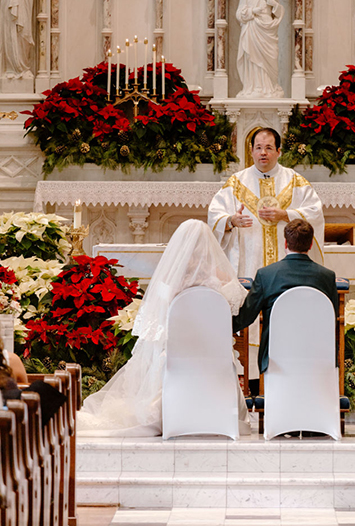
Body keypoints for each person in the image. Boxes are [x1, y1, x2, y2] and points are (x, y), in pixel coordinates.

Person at [77, 219, 249, 437]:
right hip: (215, 356)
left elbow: (158, 326)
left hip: (178, 356)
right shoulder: (222, 278)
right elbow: (238, 308)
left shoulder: (170, 281)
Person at [208, 127, 325, 381]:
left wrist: (286, 214)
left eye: (269, 148)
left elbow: (315, 213)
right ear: (250, 151)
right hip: (249, 267)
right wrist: (231, 220)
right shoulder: (236, 183)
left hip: (288, 271)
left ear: (279, 151)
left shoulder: (295, 181)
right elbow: (214, 216)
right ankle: (250, 377)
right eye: (258, 147)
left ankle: (286, 373)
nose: (263, 153)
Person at [232, 219, 338, 375]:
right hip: (318, 357)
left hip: (276, 357)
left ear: (285, 244)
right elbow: (332, 317)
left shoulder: (266, 275)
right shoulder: (327, 277)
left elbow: (246, 317)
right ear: (310, 245)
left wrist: (221, 327)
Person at [236, 0, 284, 98]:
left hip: (267, 30)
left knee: (271, 57)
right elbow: (239, 14)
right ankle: (254, 86)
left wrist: (274, 5)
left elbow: (279, 12)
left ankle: (269, 87)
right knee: (253, 58)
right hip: (252, 28)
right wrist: (252, 11)